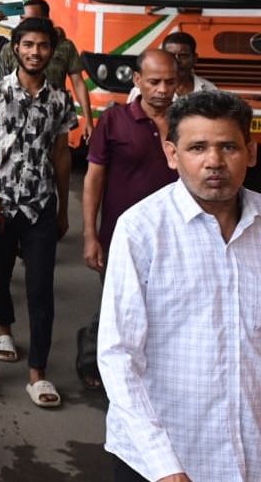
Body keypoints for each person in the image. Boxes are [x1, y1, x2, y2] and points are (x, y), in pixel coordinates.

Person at [98, 90, 258, 482]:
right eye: (198, 147)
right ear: (172, 155)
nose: (214, 162)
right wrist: (164, 466)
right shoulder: (141, 230)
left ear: (251, 152)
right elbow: (118, 355)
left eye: (228, 147)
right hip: (164, 458)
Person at [0, 17, 76, 408]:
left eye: (43, 45)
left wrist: (64, 208)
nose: (35, 52)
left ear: (52, 50)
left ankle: (38, 373)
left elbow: (62, 155)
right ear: (15, 47)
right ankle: (3, 328)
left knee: (40, 288)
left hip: (41, 206)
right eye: (28, 44)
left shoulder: (60, 100)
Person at [77, 49, 179, 392]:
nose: (162, 89)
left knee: (161, 313)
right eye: (154, 82)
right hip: (120, 237)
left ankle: (149, 378)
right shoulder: (115, 120)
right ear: (137, 81)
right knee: (120, 308)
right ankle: (94, 356)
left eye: (169, 82)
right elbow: (93, 180)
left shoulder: (187, 122)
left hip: (175, 238)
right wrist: (91, 235)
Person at [0, 0, 93, 140]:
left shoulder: (65, 47)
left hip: (53, 120)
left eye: (30, 20)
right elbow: (0, 85)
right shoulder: (9, 49)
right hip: (15, 122)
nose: (24, 24)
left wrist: (88, 119)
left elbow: (78, 82)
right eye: (22, 19)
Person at [125, 31, 217, 102]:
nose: (177, 61)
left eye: (183, 56)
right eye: (171, 55)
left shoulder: (210, 91)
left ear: (195, 58)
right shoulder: (140, 91)